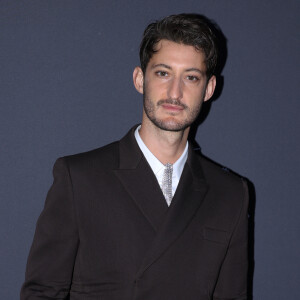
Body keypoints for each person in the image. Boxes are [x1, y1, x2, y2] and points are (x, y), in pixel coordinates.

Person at [21, 13, 249, 300]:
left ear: (209, 88)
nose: (175, 93)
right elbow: (42, 292)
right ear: (140, 79)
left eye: (191, 77)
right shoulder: (80, 178)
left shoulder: (229, 194)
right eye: (163, 73)